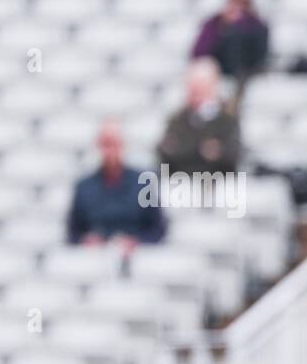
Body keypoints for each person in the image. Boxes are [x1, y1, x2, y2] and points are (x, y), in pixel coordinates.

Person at [67, 120, 166, 248]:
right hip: (95, 259)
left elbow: (157, 230)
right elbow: (73, 232)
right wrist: (86, 241)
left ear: (122, 145)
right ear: (99, 146)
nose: (110, 150)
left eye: (114, 144)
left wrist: (136, 242)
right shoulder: (84, 187)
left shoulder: (143, 183)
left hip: (136, 259)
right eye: (106, 144)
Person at [157, 58, 242, 177]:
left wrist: (186, 149)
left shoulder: (227, 121)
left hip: (217, 183)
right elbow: (165, 154)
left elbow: (230, 157)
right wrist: (202, 150)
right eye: (192, 88)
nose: (195, 93)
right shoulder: (177, 119)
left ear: (213, 86)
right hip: (180, 183)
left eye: (200, 88)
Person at [191, 0, 269, 84]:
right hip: (218, 75)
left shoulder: (259, 26)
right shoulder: (214, 23)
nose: (238, 5)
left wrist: (238, 28)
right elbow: (199, 53)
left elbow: (260, 57)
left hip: (247, 76)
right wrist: (224, 28)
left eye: (243, 0)